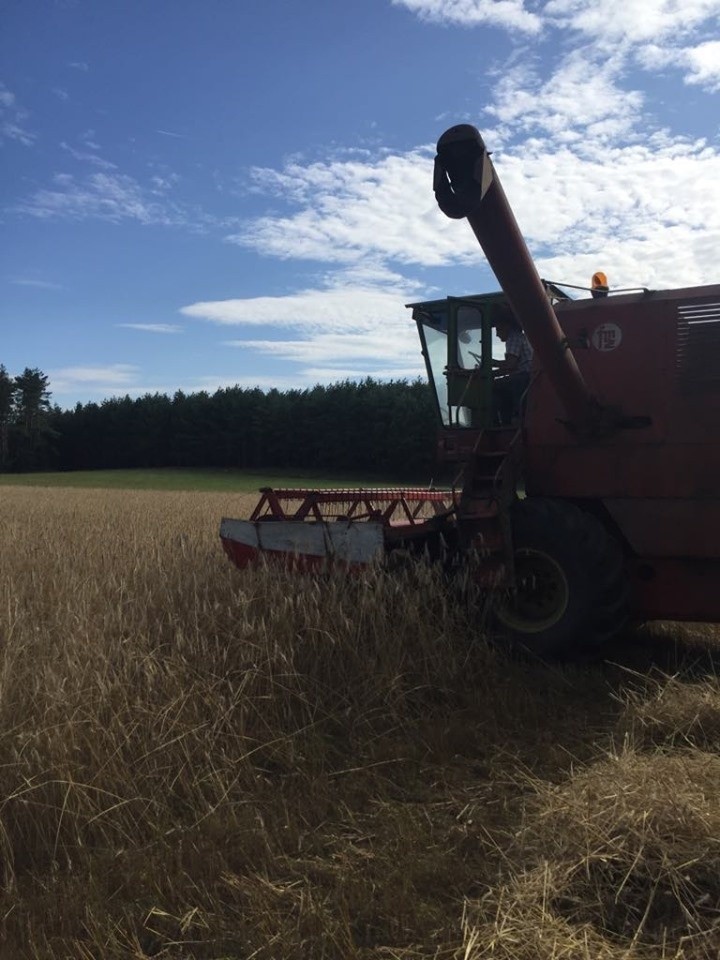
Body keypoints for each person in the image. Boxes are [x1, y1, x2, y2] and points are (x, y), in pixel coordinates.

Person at [492, 306, 533, 425]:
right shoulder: (521, 337)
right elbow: (512, 366)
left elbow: (510, 366)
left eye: (498, 330)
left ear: (507, 327)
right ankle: (509, 418)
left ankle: (501, 421)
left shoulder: (513, 337)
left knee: (492, 386)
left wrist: (490, 371)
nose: (497, 335)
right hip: (525, 376)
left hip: (524, 377)